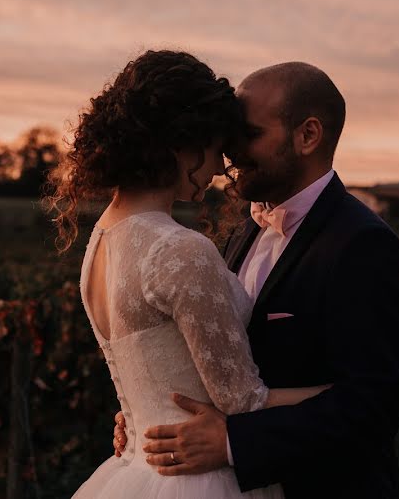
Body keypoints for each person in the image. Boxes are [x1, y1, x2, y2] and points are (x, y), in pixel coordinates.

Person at [114, 62, 399, 497]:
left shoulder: (363, 245)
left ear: (307, 135)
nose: (232, 151)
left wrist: (234, 442)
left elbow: (374, 405)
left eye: (250, 134)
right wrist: (154, 404)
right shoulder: (245, 229)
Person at [46, 50, 332, 498]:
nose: (221, 167)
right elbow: (243, 401)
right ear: (181, 144)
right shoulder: (177, 248)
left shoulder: (100, 241)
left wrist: (139, 417)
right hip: (201, 478)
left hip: (137, 470)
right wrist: (340, 393)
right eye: (216, 147)